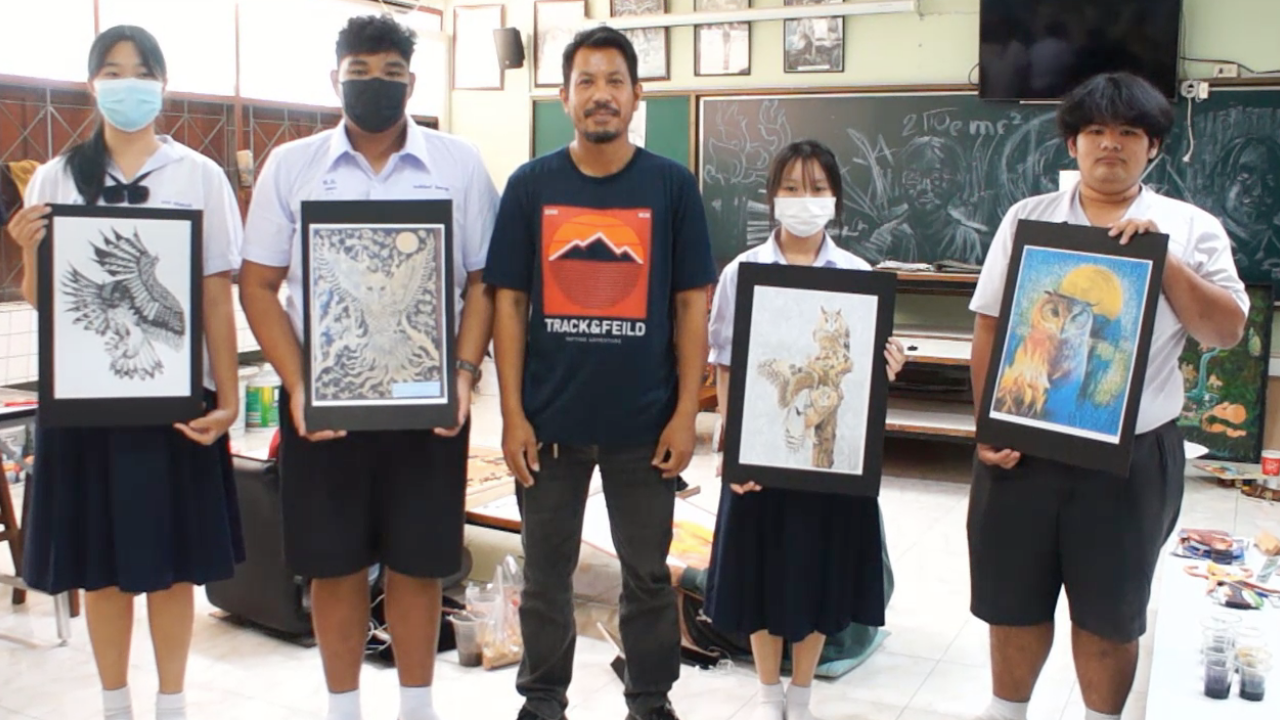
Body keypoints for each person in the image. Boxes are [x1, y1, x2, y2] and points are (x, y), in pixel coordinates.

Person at [238, 14, 499, 720]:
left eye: (391, 73)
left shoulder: (458, 164)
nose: (375, 84)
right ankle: (343, 708)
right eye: (360, 72)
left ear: (412, 83)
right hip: (323, 407)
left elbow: (485, 280)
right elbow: (258, 284)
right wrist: (299, 385)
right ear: (335, 79)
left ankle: (417, 707)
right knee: (334, 565)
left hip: (428, 404)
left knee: (420, 563)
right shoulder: (291, 166)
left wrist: (463, 375)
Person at [967, 72, 1249, 720]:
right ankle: (1005, 712)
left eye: (1128, 132)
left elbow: (1226, 330)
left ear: (1154, 146)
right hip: (1026, 446)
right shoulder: (1028, 219)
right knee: (1012, 597)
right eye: (1095, 130)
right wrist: (990, 425)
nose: (1110, 144)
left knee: (1111, 611)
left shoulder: (1191, 227)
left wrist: (1163, 259)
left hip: (1131, 456)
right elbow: (989, 325)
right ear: (1073, 144)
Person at [5, 24, 245, 720]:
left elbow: (215, 296)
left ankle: (172, 702)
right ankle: (115, 703)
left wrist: (229, 397)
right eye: (112, 72)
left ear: (163, 85)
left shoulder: (198, 175)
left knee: (172, 568)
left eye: (141, 71)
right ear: (91, 85)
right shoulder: (55, 176)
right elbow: (44, 299)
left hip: (176, 402)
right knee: (100, 565)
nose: (127, 84)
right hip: (85, 401)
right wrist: (26, 255)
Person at [483, 26, 716, 720]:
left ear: (638, 95)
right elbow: (509, 302)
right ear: (564, 97)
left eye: (615, 81)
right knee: (546, 576)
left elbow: (692, 304)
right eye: (586, 81)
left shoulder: (671, 186)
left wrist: (685, 414)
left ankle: (649, 700)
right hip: (549, 424)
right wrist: (512, 414)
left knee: (645, 575)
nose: (601, 95)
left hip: (645, 425)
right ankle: (542, 701)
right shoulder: (531, 186)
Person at [702, 140, 907, 720]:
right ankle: (769, 696)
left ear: (835, 198)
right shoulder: (742, 273)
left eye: (817, 188)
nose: (804, 199)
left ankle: (802, 695)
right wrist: (734, 449)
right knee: (760, 574)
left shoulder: (858, 277)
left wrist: (886, 366)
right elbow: (726, 367)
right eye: (791, 187)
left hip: (829, 458)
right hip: (760, 454)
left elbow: (862, 377)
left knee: (819, 574)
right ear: (772, 197)